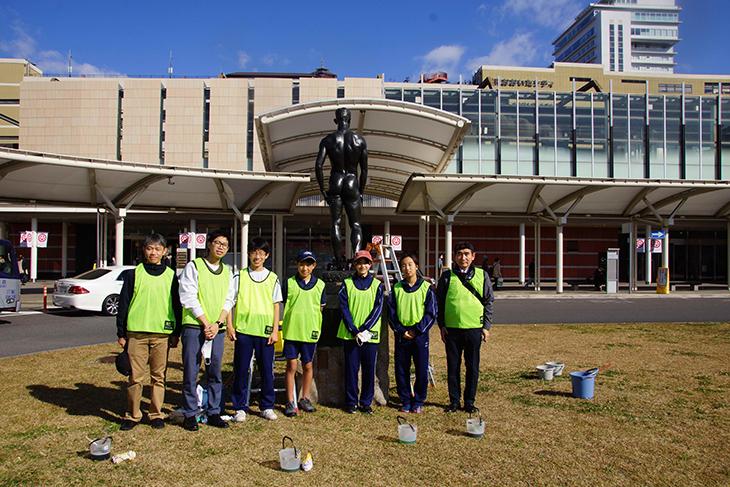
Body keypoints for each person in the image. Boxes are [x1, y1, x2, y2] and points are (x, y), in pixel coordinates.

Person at [116, 233, 182, 431]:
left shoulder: (171, 276)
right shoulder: (133, 274)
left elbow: (176, 306)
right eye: (149, 248)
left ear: (164, 251)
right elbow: (124, 304)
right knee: (135, 377)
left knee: (158, 376)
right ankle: (133, 414)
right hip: (136, 332)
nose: (153, 252)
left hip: (162, 333)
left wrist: (175, 333)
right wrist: (121, 333)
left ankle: (156, 413)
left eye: (157, 248)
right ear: (144, 251)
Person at [178, 229, 236, 431]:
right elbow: (188, 297)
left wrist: (218, 323)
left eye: (225, 245)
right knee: (191, 371)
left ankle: (214, 411)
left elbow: (230, 299)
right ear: (209, 244)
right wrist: (205, 323)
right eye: (218, 243)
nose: (221, 247)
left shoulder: (228, 272)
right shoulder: (194, 267)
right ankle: (190, 413)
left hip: (216, 329)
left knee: (215, 372)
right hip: (195, 327)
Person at [226, 237, 282, 421]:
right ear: (248, 254)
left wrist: (275, 330)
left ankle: (267, 405)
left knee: (267, 369)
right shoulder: (239, 276)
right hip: (244, 330)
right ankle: (240, 407)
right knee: (241, 369)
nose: (256, 256)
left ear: (266, 255)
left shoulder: (273, 278)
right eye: (253, 252)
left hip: (265, 332)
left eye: (260, 253)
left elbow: (276, 305)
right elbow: (229, 301)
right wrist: (229, 325)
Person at [436, 241, 494, 414]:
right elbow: (439, 303)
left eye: (467, 254)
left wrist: (486, 326)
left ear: (473, 256)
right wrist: (442, 325)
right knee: (453, 367)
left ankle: (469, 401)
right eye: (460, 254)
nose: (463, 257)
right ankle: (454, 401)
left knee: (472, 367)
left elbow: (489, 301)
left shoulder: (482, 275)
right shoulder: (446, 277)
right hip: (452, 330)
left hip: (474, 329)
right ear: (454, 257)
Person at [315, 107, 368, 268]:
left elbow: (318, 166)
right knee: (356, 225)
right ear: (350, 120)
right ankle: (357, 260)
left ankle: (338, 260)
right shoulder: (359, 140)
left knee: (336, 223)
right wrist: (360, 191)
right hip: (352, 182)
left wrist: (322, 189)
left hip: (335, 181)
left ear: (336, 121)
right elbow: (364, 170)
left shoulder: (328, 140)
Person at [387, 253, 436, 414]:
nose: (406, 268)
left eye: (409, 264)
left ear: (416, 266)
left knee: (421, 369)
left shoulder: (426, 287)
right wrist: (401, 330)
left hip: (419, 336)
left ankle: (418, 401)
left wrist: (415, 331)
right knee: (401, 369)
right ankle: (406, 400)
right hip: (402, 336)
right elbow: (391, 313)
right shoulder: (397, 288)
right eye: (403, 265)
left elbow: (431, 313)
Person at [281, 249, 326, 417]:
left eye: (308, 264)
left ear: (314, 266)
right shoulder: (289, 283)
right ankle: (290, 401)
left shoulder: (320, 285)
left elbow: (320, 308)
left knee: (307, 365)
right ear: (296, 265)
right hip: (292, 331)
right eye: (301, 264)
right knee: (291, 365)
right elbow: (286, 304)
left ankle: (304, 398)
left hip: (310, 332)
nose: (304, 268)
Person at [338, 249, 383, 414]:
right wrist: (354, 330)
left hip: (370, 335)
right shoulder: (347, 284)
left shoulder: (377, 285)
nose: (362, 265)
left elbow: (378, 309)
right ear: (354, 264)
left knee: (369, 369)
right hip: (350, 334)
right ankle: (351, 402)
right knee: (351, 369)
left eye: (366, 262)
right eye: (359, 262)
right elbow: (344, 308)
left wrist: (364, 329)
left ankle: (365, 402)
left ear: (370, 264)